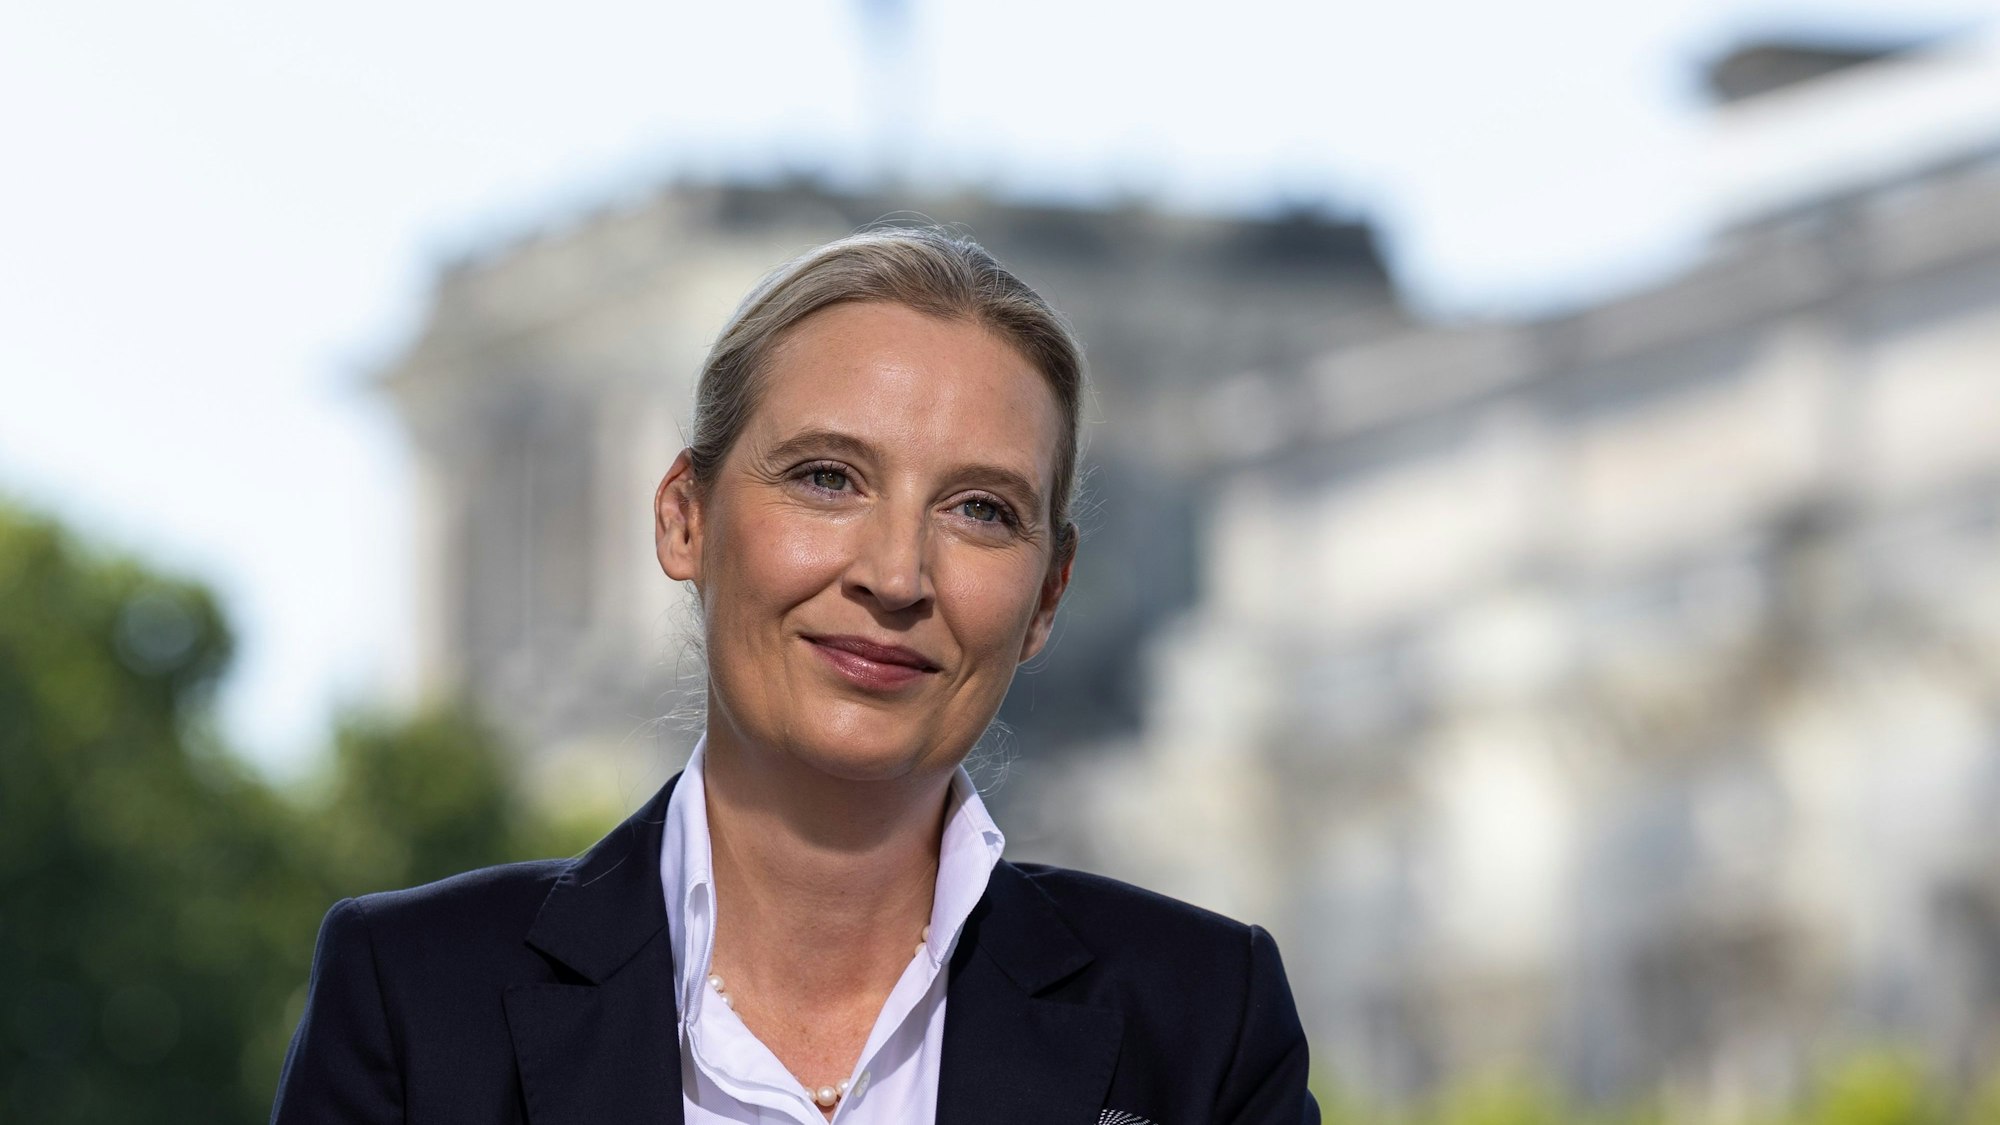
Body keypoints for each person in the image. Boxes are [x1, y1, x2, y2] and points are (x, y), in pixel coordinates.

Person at [270, 226, 1319, 1125]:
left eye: (981, 511)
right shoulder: (415, 998)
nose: (896, 573)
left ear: (1047, 594)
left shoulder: (1199, 1023)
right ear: (685, 517)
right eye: (827, 479)